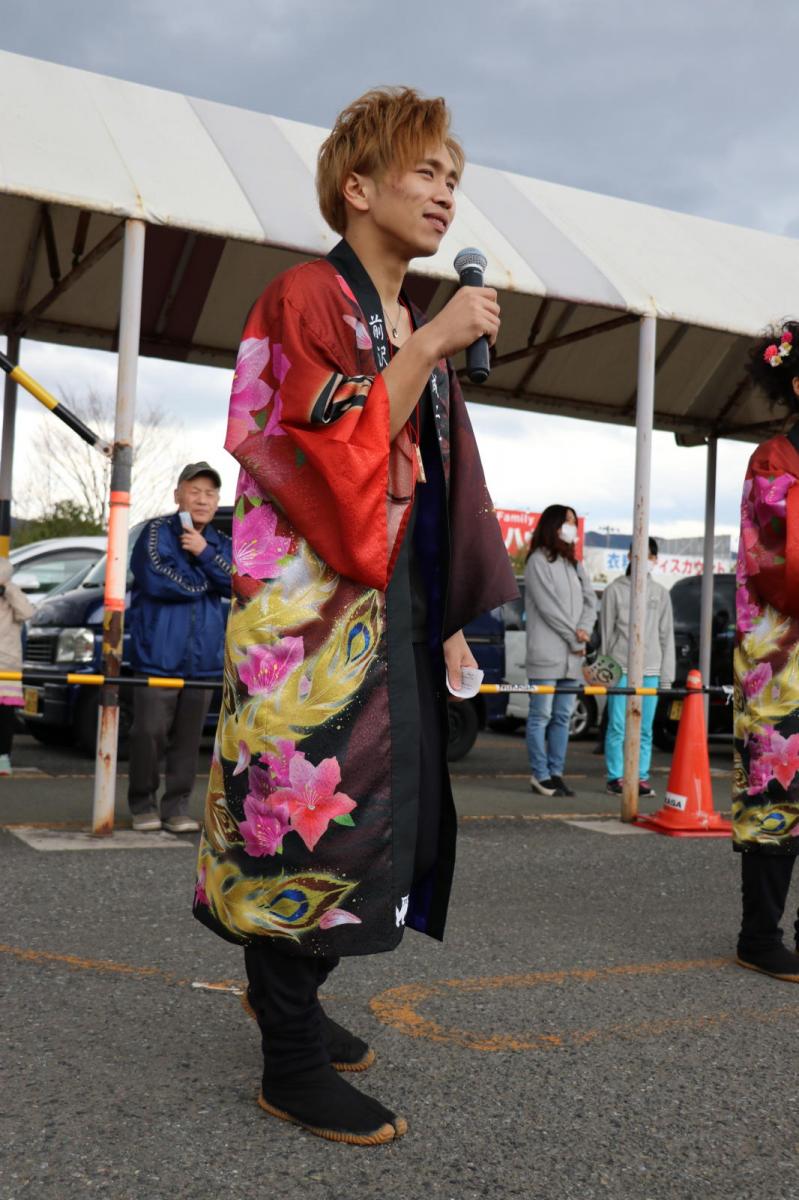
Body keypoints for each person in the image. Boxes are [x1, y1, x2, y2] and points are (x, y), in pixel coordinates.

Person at [192, 86, 517, 1146]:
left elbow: (411, 482)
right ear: (357, 186)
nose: (443, 191)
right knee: (304, 819)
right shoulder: (304, 296)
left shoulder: (402, 317)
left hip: (383, 610)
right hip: (306, 621)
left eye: (452, 177)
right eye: (424, 171)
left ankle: (295, 1005)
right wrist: (422, 354)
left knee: (379, 812)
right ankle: (287, 1063)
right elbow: (318, 453)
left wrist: (449, 614)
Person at [733, 320, 799, 982]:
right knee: (776, 787)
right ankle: (759, 933)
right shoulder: (772, 462)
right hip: (779, 657)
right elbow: (778, 564)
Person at [127, 462, 232, 834]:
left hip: (203, 661)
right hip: (157, 656)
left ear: (218, 500)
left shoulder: (218, 542)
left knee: (190, 741)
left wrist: (204, 554)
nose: (202, 500)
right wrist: (206, 582)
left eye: (210, 493)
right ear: (178, 495)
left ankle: (176, 809)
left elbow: (237, 583)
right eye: (195, 491)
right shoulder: (156, 532)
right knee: (149, 731)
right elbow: (157, 578)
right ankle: (142, 803)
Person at [524, 505, 596, 797]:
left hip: (573, 658)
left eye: (573, 522)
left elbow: (592, 600)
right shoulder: (537, 562)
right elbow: (548, 608)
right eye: (567, 521)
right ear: (553, 525)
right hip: (547, 653)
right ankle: (540, 774)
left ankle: (556, 772)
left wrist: (586, 629)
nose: (571, 527)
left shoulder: (574, 564)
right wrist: (576, 637)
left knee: (563, 717)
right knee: (540, 715)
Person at [600, 537, 675, 797]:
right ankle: (615, 777)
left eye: (650, 555)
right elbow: (606, 634)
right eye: (639, 553)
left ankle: (640, 777)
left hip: (651, 670)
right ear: (630, 555)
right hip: (619, 668)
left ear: (655, 560)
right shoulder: (614, 590)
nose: (645, 560)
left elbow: (667, 637)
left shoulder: (661, 593)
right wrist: (604, 673)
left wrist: (667, 677)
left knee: (644, 727)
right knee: (618, 725)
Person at [0, 558, 34, 775]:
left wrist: (7, 592)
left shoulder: (12, 592)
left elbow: (28, 613)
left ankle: (3, 757)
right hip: (8, 662)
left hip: (7, 663)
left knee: (4, 715)